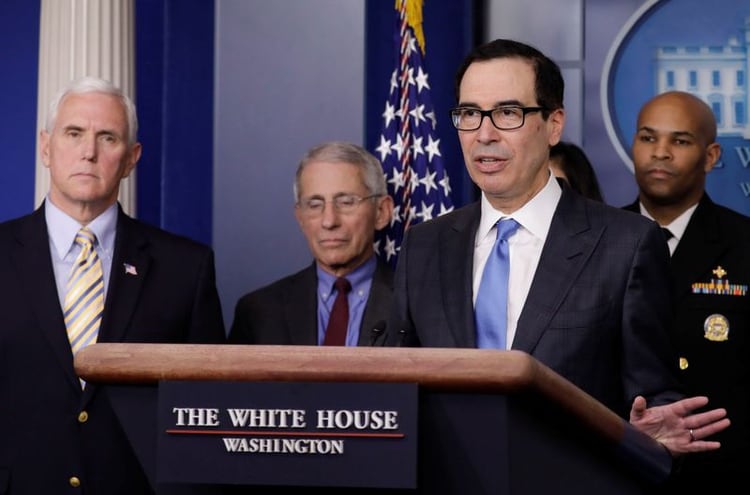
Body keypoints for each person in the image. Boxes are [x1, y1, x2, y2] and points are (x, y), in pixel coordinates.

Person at [385, 38, 729, 458]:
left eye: (508, 113)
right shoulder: (424, 246)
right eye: (470, 114)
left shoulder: (627, 244)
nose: (484, 134)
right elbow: (397, 388)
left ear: (554, 125)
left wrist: (644, 436)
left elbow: (650, 396)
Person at [0, 77, 225, 494]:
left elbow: (204, 416)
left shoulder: (186, 268)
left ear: (131, 158)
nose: (89, 152)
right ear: (46, 148)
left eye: (108, 137)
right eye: (74, 134)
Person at [624, 90, 749, 490]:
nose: (660, 152)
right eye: (648, 138)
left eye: (679, 141)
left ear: (711, 156)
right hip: (620, 468)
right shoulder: (595, 240)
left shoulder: (744, 243)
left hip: (724, 469)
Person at [229, 141, 394, 346]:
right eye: (314, 205)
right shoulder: (257, 312)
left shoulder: (415, 307)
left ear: (381, 212)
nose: (329, 221)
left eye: (346, 202)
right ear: (300, 217)